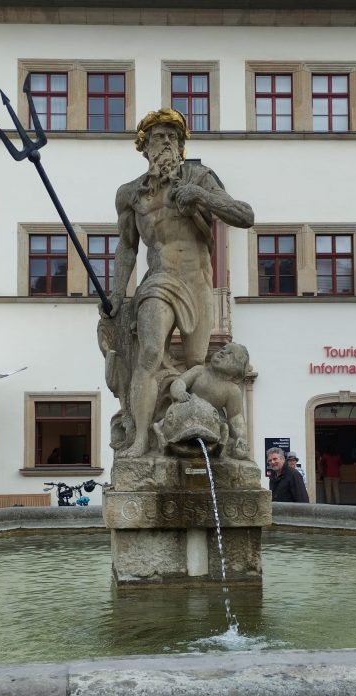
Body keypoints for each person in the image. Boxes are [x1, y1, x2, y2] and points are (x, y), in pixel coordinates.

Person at [105, 108, 254, 458]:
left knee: (197, 363)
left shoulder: (199, 177)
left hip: (197, 280)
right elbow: (126, 248)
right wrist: (115, 294)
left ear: (182, 145)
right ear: (145, 147)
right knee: (150, 355)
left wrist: (201, 196)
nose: (168, 142)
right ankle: (140, 439)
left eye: (174, 137)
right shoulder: (130, 193)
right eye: (160, 136)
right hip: (159, 279)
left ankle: (200, 441)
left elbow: (245, 215)